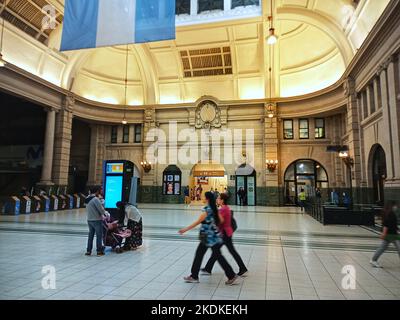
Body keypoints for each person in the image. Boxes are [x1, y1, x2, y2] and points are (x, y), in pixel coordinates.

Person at [179, 192, 239, 285]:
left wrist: (185, 229)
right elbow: (221, 220)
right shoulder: (215, 209)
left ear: (207, 199)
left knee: (200, 255)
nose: (203, 198)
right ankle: (231, 275)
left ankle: (194, 276)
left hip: (207, 237)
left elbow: (197, 222)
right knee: (217, 255)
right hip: (214, 236)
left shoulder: (206, 210)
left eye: (204, 197)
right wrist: (212, 224)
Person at [201, 193, 248, 277]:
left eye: (218, 198)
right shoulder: (225, 208)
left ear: (222, 200)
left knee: (220, 251)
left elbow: (218, 221)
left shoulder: (223, 209)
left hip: (224, 234)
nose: (217, 199)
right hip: (226, 233)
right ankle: (208, 268)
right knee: (218, 251)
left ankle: (242, 268)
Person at [370, 202, 400, 268]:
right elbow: (386, 224)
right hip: (392, 235)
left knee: (382, 248)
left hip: (391, 234)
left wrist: (397, 230)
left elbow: (392, 224)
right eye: (395, 206)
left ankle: (373, 260)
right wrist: (384, 233)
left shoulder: (387, 213)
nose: (396, 207)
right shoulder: (390, 213)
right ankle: (373, 260)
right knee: (398, 248)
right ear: (392, 206)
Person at [85, 186, 109, 256]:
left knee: (90, 236)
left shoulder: (87, 198)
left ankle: (88, 251)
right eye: (99, 190)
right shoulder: (95, 199)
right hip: (96, 220)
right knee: (99, 236)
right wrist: (105, 214)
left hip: (89, 219)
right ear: (97, 191)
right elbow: (101, 210)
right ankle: (99, 251)